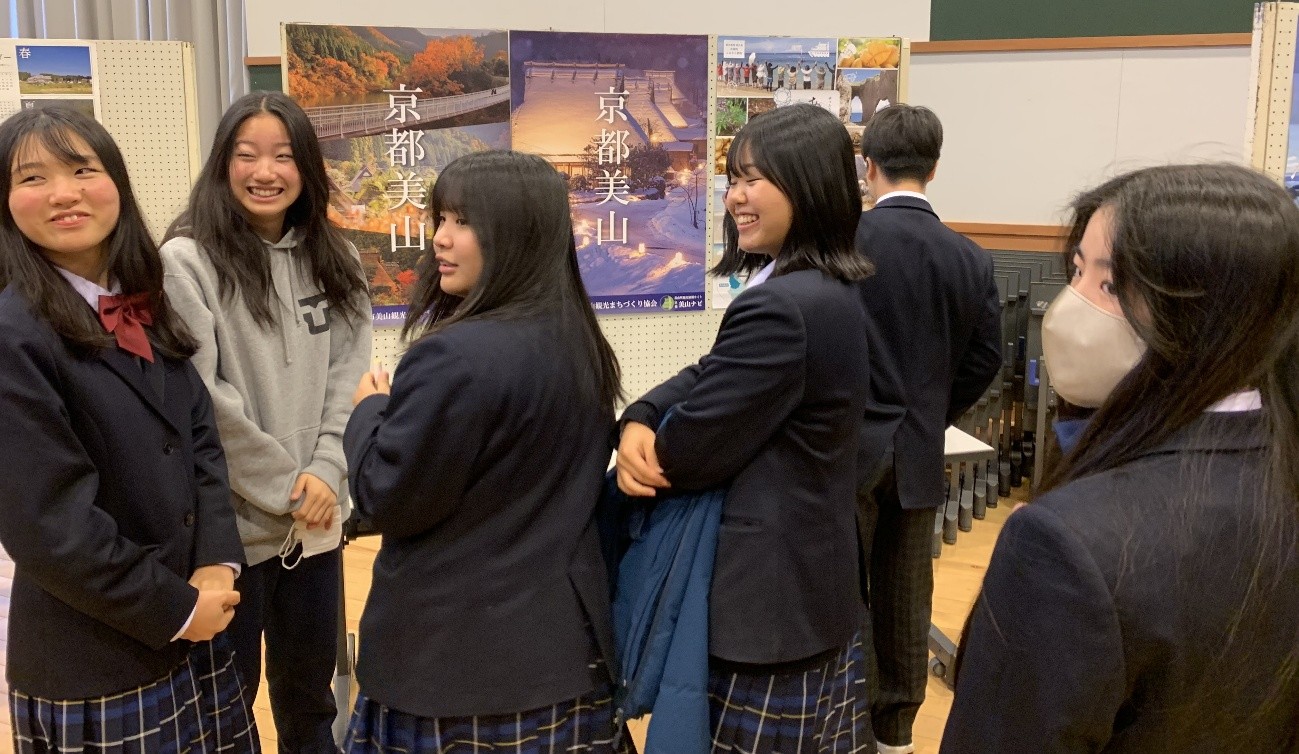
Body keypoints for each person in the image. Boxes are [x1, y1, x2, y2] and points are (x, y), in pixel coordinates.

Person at [943, 163, 1299, 752]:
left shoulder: (1065, 543)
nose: (1069, 305)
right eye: (1076, 271)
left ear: (1208, 314)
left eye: (1109, 286)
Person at [343, 150, 626, 753]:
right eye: (441, 218)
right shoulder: (581, 343)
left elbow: (387, 497)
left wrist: (369, 410)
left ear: (516, 234)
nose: (440, 239)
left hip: (453, 665)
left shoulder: (454, 355)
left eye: (464, 222)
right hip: (563, 653)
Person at [616, 103, 875, 752]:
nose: (734, 196)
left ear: (808, 186)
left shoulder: (782, 305)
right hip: (812, 588)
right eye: (732, 179)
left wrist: (650, 441)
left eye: (752, 179)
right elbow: (714, 369)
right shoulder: (820, 287)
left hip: (765, 606)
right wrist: (641, 412)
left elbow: (691, 450)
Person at [0, 106, 258, 753]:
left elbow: (199, 437)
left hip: (191, 634)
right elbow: (50, 527)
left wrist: (216, 563)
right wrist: (177, 609)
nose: (63, 193)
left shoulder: (141, 299)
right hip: (97, 653)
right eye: (32, 178)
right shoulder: (12, 335)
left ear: (115, 181)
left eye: (81, 170)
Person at [161, 91, 372, 752]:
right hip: (232, 530)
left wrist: (327, 472)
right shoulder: (186, 261)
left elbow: (349, 376)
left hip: (316, 523)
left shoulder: (337, 257)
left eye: (283, 156)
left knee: (309, 695)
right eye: (246, 154)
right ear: (222, 163)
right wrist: (288, 486)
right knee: (228, 699)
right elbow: (203, 397)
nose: (265, 171)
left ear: (306, 166)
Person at [852, 103, 1002, 754]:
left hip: (846, 448)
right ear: (934, 169)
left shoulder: (842, 242)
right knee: (905, 594)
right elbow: (985, 359)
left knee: (845, 587)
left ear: (868, 166)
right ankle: (897, 733)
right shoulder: (968, 257)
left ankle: (843, 721)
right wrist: (932, 410)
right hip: (918, 448)